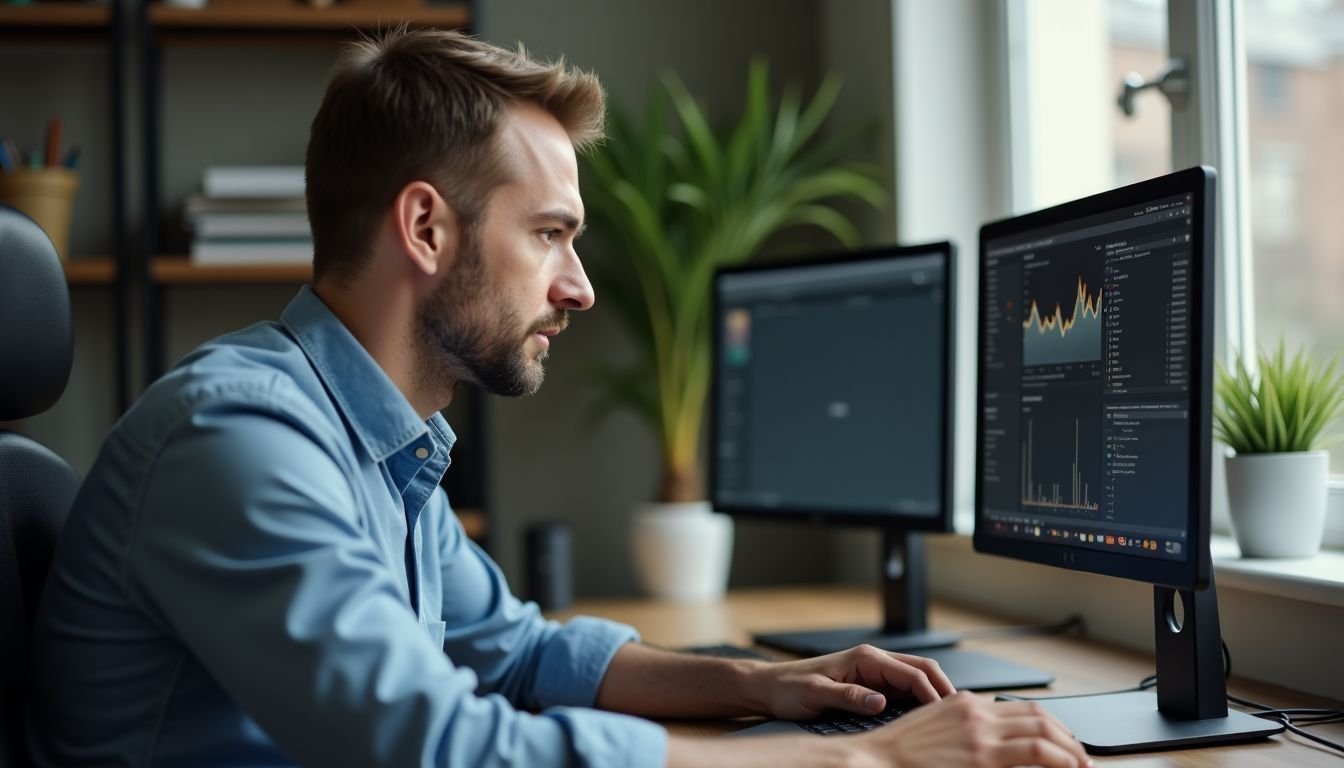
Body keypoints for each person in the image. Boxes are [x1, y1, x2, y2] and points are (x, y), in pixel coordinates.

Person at [26, 28, 1090, 768]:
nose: (578, 286)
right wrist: (871, 764)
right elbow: (435, 746)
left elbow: (519, 651)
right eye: (550, 235)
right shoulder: (239, 440)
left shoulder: (378, 449)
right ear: (427, 228)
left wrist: (767, 688)